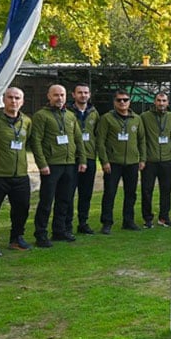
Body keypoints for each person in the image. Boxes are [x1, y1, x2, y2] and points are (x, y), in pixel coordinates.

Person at [30, 84, 86, 247]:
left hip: (69, 164)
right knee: (46, 201)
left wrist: (82, 160)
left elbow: (78, 139)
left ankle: (59, 231)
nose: (59, 98)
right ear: (49, 96)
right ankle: (41, 234)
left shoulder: (70, 116)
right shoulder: (41, 116)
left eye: (62, 95)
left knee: (65, 200)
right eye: (56, 95)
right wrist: (42, 164)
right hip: (51, 165)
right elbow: (36, 141)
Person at [96, 90, 146, 234]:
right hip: (113, 163)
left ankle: (128, 221)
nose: (122, 102)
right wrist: (104, 161)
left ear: (130, 101)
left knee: (131, 194)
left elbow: (142, 140)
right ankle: (107, 223)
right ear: (114, 102)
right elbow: (100, 141)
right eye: (119, 100)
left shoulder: (136, 119)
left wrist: (142, 159)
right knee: (109, 193)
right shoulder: (106, 118)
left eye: (125, 99)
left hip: (132, 162)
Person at [0, 87, 33, 255]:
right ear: (4, 99)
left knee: (22, 209)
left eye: (17, 98)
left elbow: (28, 142)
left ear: (22, 101)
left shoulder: (27, 121)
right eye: (10, 97)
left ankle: (16, 239)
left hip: (20, 175)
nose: (14, 101)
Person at [140, 91, 171, 228]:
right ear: (154, 102)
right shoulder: (145, 117)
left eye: (164, 101)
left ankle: (164, 217)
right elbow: (141, 137)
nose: (161, 103)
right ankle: (147, 218)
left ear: (168, 102)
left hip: (166, 160)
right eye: (159, 100)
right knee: (147, 190)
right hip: (150, 160)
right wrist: (142, 158)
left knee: (166, 190)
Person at [67, 83, 99, 235]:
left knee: (86, 194)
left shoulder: (94, 113)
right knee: (68, 193)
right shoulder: (67, 112)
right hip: (72, 159)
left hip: (90, 157)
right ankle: (67, 224)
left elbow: (97, 135)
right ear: (74, 95)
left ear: (89, 94)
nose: (83, 95)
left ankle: (83, 223)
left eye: (86, 92)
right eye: (80, 92)